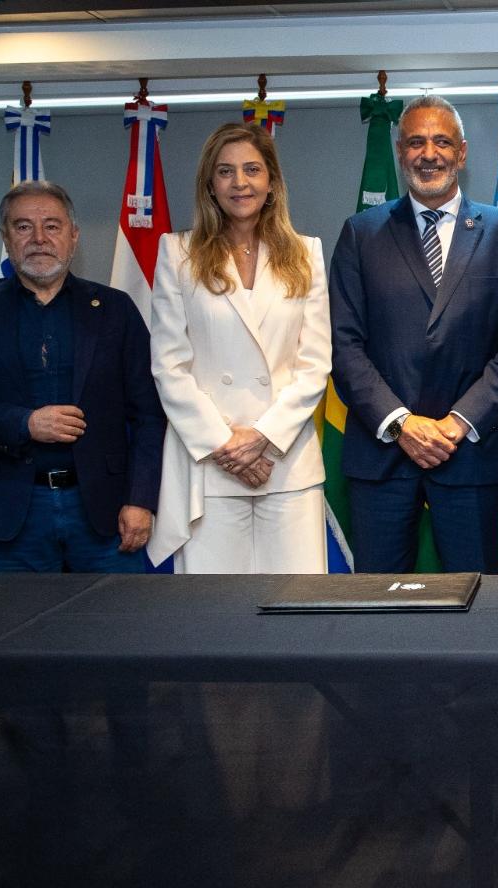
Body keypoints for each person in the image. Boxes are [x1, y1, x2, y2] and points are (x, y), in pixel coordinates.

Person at [329, 95, 498, 573]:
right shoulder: (360, 234)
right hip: (382, 456)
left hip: (471, 453)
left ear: (461, 153)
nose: (429, 154)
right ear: (400, 152)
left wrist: (456, 423)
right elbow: (345, 347)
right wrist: (402, 424)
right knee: (378, 603)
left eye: (442, 142)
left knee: (477, 600)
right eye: (416, 142)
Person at [0, 180, 164, 572]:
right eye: (23, 227)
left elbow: (150, 414)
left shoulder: (115, 310)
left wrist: (141, 499)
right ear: (6, 237)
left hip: (105, 511)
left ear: (73, 236)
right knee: (15, 615)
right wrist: (25, 423)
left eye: (52, 226)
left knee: (115, 614)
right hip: (10, 511)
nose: (39, 238)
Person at [146, 122, 332, 573]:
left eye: (252, 169)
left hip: (287, 463)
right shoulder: (178, 253)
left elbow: (314, 364)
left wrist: (263, 439)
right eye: (225, 171)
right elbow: (169, 366)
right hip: (211, 464)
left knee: (295, 603)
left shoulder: (306, 253)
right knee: (214, 607)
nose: (239, 182)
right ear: (210, 185)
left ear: (271, 183)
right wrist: (226, 445)